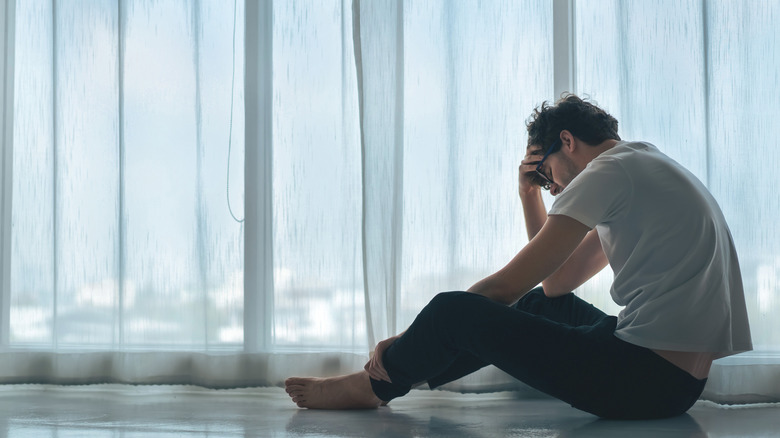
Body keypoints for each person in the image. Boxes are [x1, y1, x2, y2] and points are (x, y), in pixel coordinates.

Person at [285, 94, 752, 419]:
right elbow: (557, 283)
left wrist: (403, 337)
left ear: (567, 141)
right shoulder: (643, 165)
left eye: (548, 174)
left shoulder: (608, 173)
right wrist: (529, 194)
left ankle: (376, 381)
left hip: (644, 379)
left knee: (454, 309)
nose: (555, 188)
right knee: (542, 306)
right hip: (679, 384)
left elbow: (506, 287)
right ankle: (401, 371)